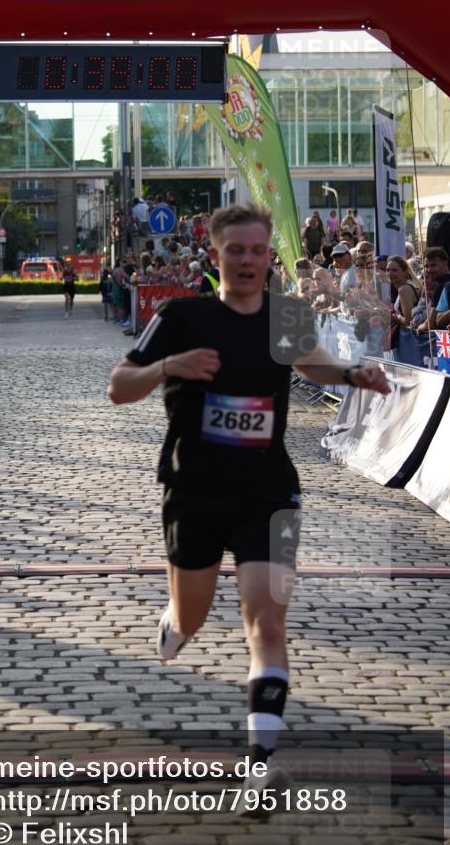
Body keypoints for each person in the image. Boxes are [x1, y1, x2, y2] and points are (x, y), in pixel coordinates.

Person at [107, 202, 389, 802]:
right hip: (194, 489)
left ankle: (260, 763)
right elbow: (118, 387)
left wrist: (354, 374)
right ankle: (172, 623)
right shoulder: (182, 316)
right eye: (236, 250)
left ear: (268, 258)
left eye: (258, 251)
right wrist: (166, 366)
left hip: (272, 491)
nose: (247, 260)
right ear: (216, 254)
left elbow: (312, 363)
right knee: (191, 619)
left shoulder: (287, 315)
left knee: (267, 620)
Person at [386, 255, 421, 327]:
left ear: (405, 272)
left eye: (394, 270)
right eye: (388, 270)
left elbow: (409, 322)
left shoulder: (404, 289)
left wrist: (396, 317)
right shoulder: (404, 287)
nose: (390, 273)